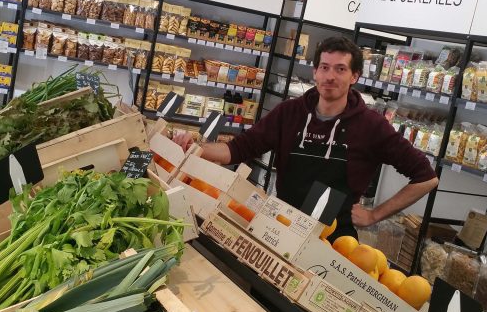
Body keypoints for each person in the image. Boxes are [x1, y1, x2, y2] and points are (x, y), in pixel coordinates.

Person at [177, 35, 437, 241]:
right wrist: (195, 146)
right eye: (324, 67)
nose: (330, 76)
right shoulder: (289, 113)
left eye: (340, 69)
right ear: (315, 72)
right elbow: (238, 149)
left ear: (355, 76)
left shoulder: (371, 126)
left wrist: (373, 215)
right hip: (281, 227)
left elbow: (426, 177)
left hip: (334, 240)